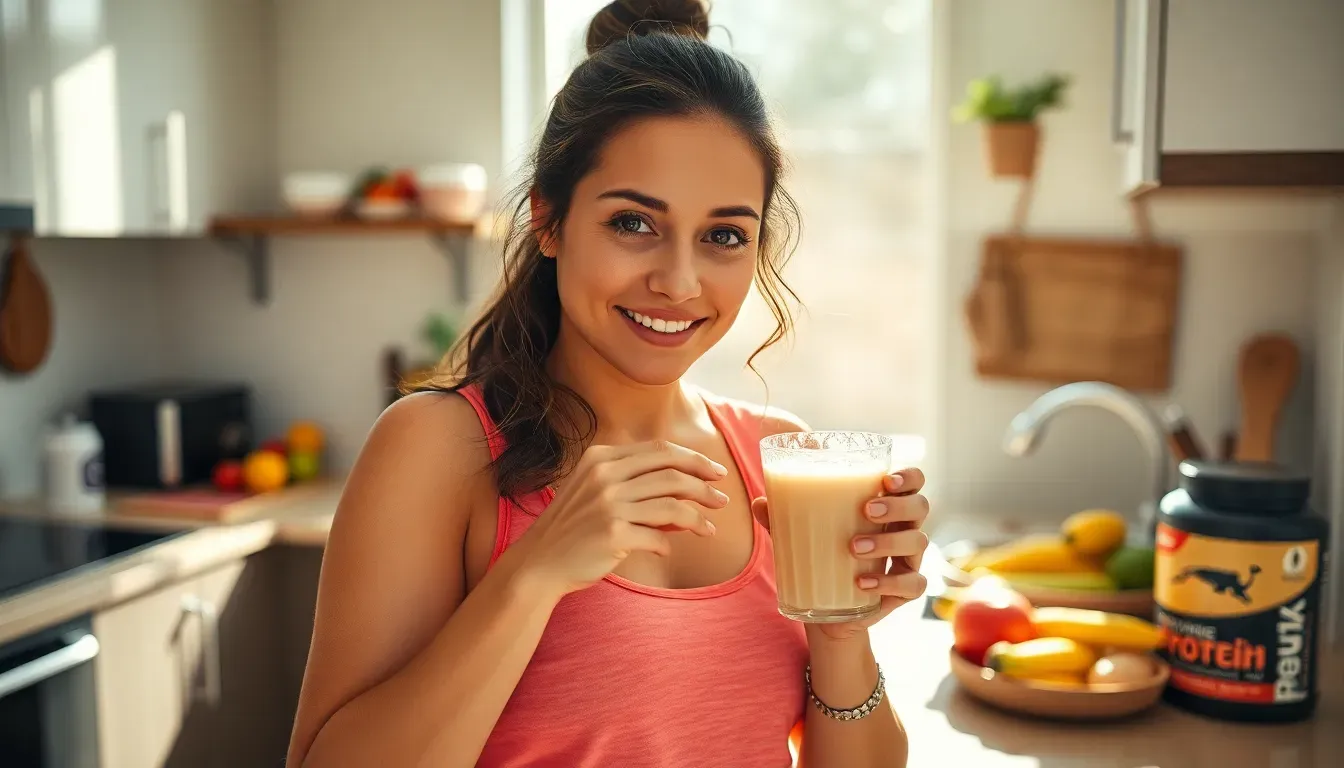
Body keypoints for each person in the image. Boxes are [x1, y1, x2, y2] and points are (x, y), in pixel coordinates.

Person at [286, 1, 930, 766]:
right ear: (549, 221)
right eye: (634, 223)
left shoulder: (779, 456)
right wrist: (532, 577)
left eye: (725, 236)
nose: (679, 281)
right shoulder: (439, 447)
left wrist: (840, 630)